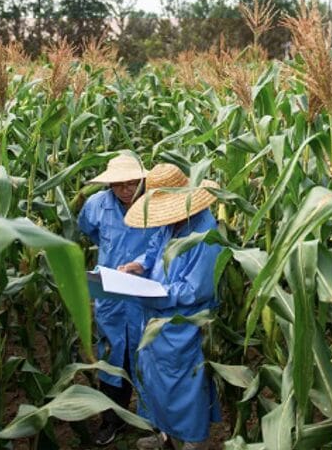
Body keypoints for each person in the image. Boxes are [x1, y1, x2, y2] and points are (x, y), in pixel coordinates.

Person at [119, 163, 222, 450]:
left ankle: (193, 441)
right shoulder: (170, 224)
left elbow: (195, 290)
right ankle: (164, 434)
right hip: (156, 321)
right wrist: (138, 265)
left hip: (185, 324)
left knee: (185, 386)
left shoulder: (206, 234)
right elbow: (153, 250)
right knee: (155, 382)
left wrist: (156, 292)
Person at [77, 154, 167, 446]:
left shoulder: (154, 207)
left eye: (132, 184)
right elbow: (89, 230)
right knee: (112, 356)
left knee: (147, 357)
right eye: (119, 185)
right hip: (111, 297)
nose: (126, 190)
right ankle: (111, 420)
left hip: (144, 295)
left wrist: (139, 263)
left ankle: (150, 423)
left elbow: (160, 245)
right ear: (110, 185)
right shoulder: (96, 206)